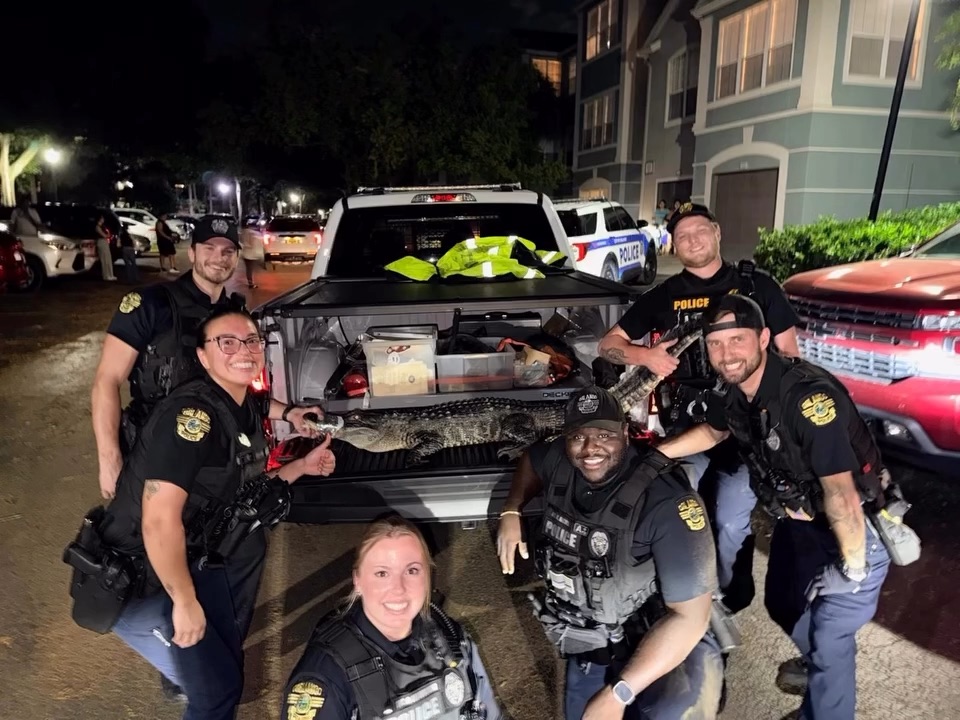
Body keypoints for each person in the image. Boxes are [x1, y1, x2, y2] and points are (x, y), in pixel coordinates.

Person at [91, 214, 324, 698]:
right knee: (166, 561)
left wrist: (290, 414)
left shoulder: (236, 313)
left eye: (227, 250)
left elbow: (245, 395)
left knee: (241, 550)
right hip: (162, 461)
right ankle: (185, 665)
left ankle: (218, 653)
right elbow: (107, 381)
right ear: (190, 251)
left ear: (236, 256)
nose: (218, 257)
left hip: (221, 465)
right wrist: (109, 457)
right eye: (209, 248)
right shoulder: (151, 305)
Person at [656, 294, 893, 720]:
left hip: (855, 535)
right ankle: (822, 668)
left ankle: (827, 696)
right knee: (783, 602)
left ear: (764, 337)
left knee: (831, 633)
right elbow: (714, 431)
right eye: (715, 344)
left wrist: (852, 570)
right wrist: (656, 456)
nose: (726, 355)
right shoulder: (736, 391)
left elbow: (842, 496)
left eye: (738, 340)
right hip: (800, 523)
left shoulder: (807, 398)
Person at [597, 202, 800, 614]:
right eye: (683, 235)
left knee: (727, 521)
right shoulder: (665, 295)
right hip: (689, 426)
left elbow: (790, 355)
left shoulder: (757, 285)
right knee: (680, 513)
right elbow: (608, 344)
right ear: (674, 245)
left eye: (700, 230)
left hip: (747, 426)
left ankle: (729, 599)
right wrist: (644, 355)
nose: (693, 240)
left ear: (717, 231)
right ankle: (683, 597)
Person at [497, 386, 723, 720]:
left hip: (659, 638)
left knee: (672, 710)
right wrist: (512, 509)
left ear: (626, 435)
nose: (590, 448)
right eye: (578, 436)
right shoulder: (561, 459)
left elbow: (691, 618)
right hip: (591, 639)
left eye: (604, 435)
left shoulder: (667, 502)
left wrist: (619, 693)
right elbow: (533, 459)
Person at [282, 515, 504, 720]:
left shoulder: (451, 637)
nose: (399, 589)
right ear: (358, 580)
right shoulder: (326, 674)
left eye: (412, 570)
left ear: (429, 575)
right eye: (382, 573)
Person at [95, 212, 118, 282]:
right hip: (101, 242)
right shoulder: (97, 227)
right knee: (104, 259)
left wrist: (108, 235)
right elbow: (104, 235)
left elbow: (107, 234)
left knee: (108, 258)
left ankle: (110, 274)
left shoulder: (103, 226)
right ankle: (106, 275)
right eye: (102, 218)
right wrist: (108, 235)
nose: (103, 219)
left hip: (105, 242)